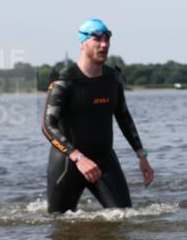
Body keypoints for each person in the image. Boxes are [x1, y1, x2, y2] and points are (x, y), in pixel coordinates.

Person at [41, 19, 154, 213]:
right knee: (60, 227)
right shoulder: (64, 80)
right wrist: (78, 158)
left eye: (107, 39)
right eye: (97, 40)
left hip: (104, 160)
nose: (104, 45)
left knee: (124, 217)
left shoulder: (113, 78)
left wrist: (141, 155)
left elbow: (123, 117)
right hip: (68, 163)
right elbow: (48, 126)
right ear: (82, 43)